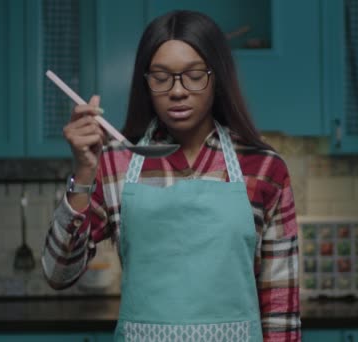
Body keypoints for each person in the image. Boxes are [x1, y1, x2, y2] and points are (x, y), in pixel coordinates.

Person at [42, 10, 300, 342]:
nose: (177, 91)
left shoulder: (265, 169)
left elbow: (280, 307)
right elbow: (58, 272)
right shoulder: (115, 164)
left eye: (194, 75)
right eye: (161, 77)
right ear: (145, 82)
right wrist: (84, 173)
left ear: (217, 76)